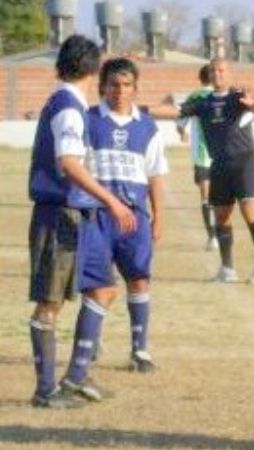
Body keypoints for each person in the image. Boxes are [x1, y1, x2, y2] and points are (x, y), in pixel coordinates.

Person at [27, 35, 137, 408]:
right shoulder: (69, 108)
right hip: (60, 216)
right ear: (93, 68)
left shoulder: (68, 102)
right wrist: (112, 200)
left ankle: (76, 376)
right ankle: (45, 391)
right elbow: (69, 163)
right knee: (50, 304)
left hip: (80, 216)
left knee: (103, 289)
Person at [68, 57, 168, 385]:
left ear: (135, 88)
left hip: (134, 216)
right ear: (102, 87)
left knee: (139, 278)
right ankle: (91, 339)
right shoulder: (88, 120)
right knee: (97, 283)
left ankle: (139, 349)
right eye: (113, 84)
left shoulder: (147, 127)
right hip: (97, 215)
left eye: (126, 85)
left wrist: (158, 219)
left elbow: (155, 175)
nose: (120, 91)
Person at [179, 57, 254, 284]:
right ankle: (227, 268)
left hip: (243, 162)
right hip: (218, 164)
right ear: (209, 75)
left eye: (221, 70)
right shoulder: (202, 103)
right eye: (213, 70)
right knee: (221, 217)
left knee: (250, 211)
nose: (217, 74)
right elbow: (179, 111)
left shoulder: (237, 97)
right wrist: (139, 108)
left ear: (230, 74)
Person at [177, 64, 216, 251]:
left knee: (206, 197)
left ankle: (213, 237)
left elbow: (180, 121)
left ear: (200, 78)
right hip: (222, 155)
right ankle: (221, 233)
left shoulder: (194, 96)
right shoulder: (222, 95)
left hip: (202, 156)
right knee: (222, 198)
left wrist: (182, 132)